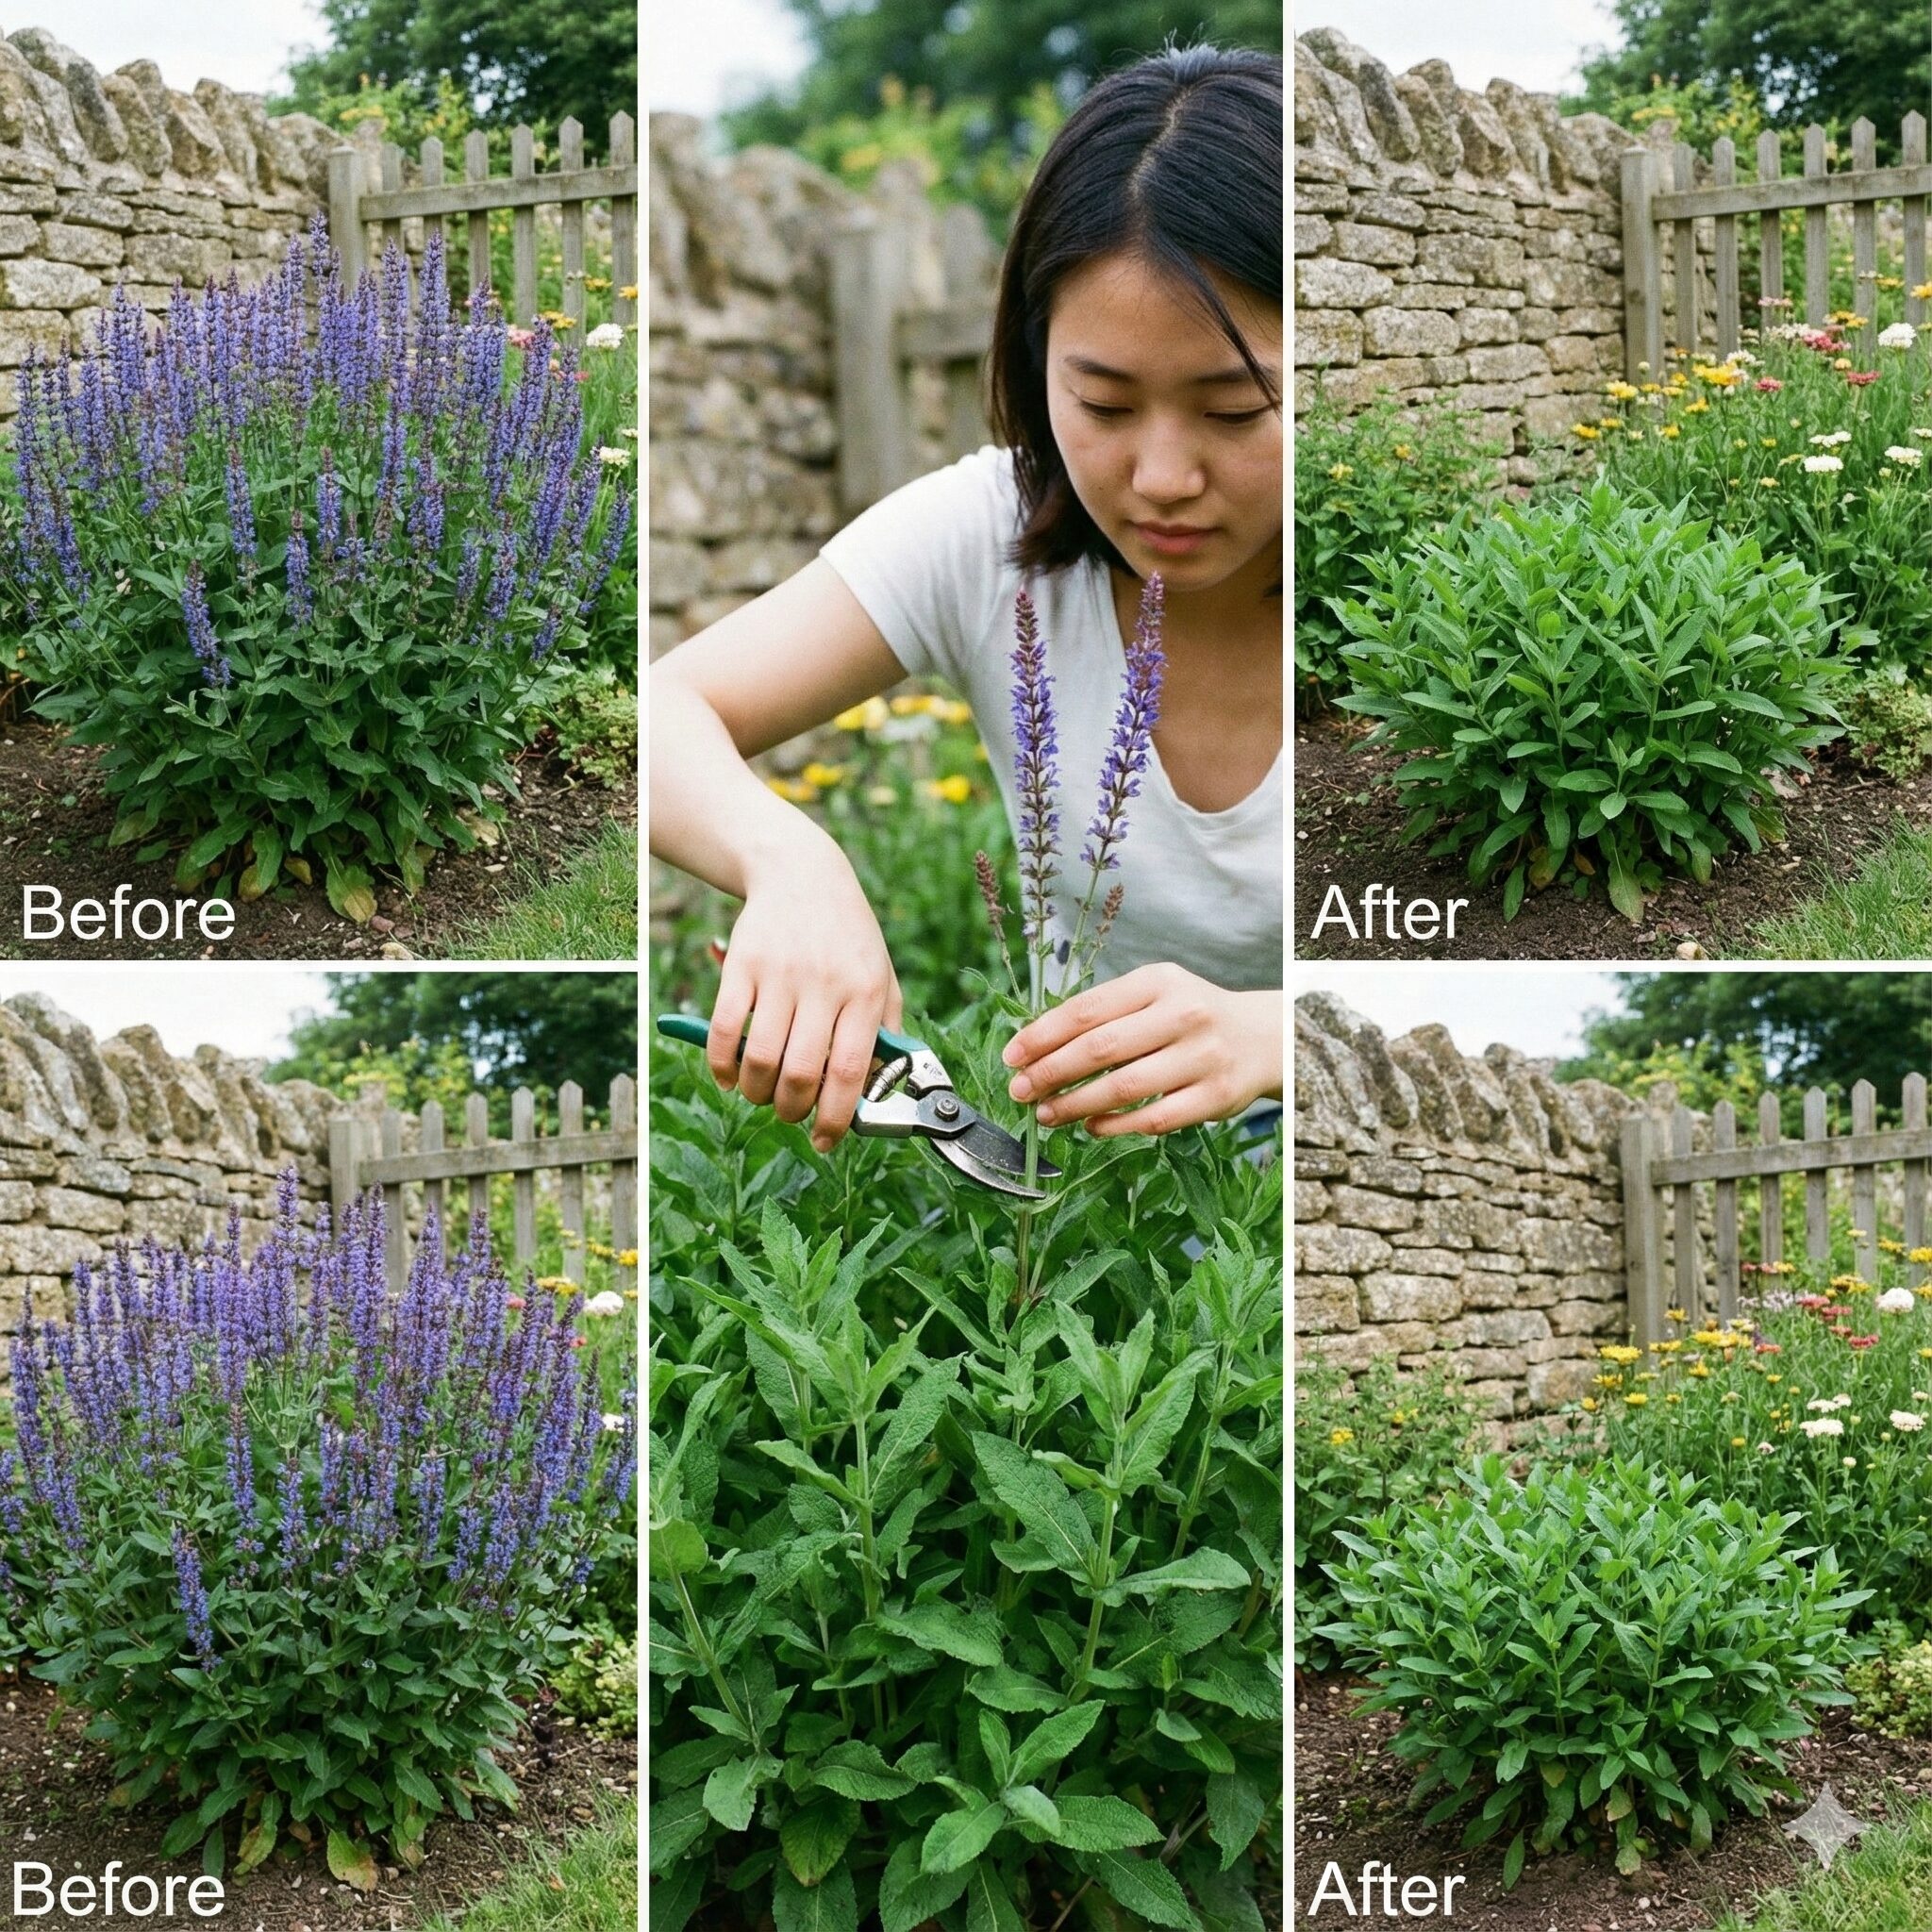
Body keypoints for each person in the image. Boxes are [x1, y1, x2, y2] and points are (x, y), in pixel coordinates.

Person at [650, 42, 1283, 1156]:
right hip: (1098, 1192)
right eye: (1103, 403)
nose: (1161, 477)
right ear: (1037, 364)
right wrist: (788, 862)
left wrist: (1286, 1032)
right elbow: (659, 714)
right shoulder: (986, 530)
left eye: (1233, 411)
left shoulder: (1415, 591)